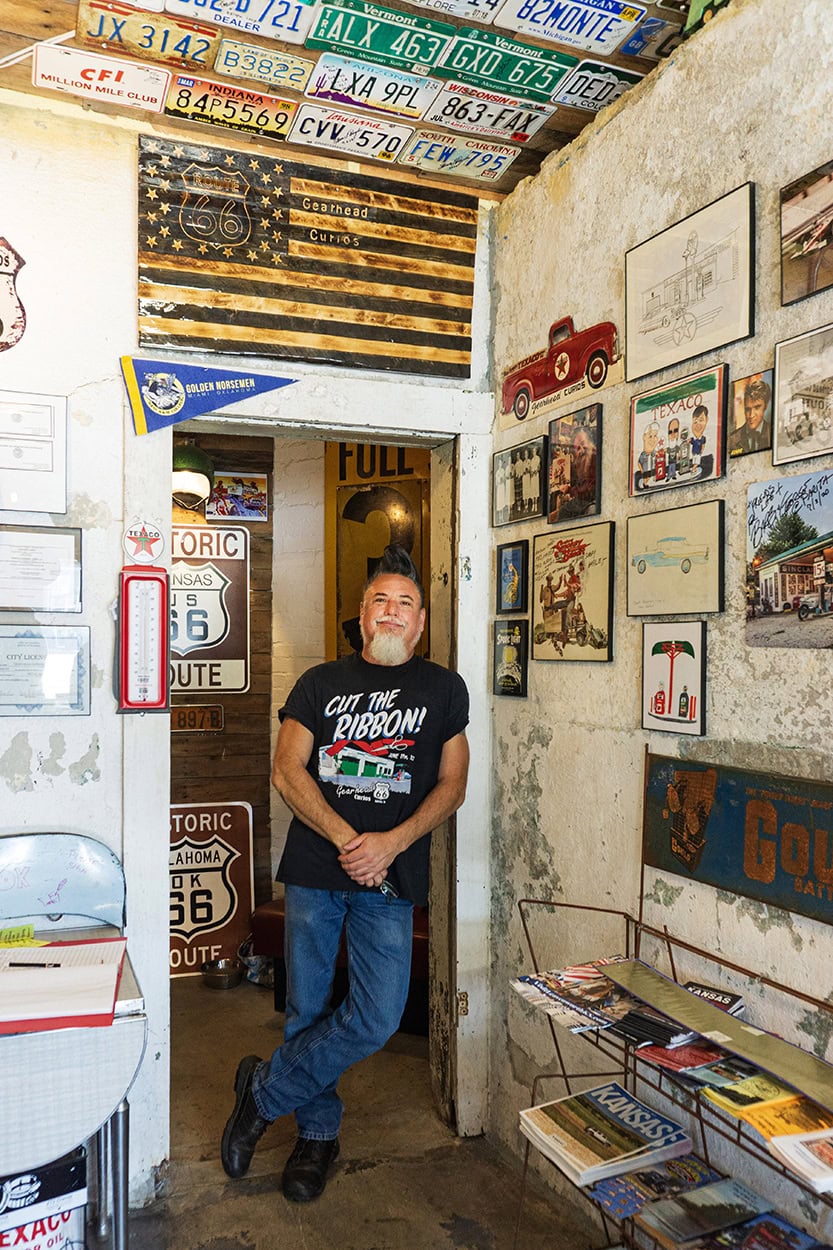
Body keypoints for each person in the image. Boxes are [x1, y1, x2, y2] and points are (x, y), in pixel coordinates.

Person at [221, 546, 469, 1203]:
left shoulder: (443, 689)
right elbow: (287, 769)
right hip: (314, 868)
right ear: (361, 617)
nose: (391, 612)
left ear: (420, 624)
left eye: (405, 604)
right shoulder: (319, 684)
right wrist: (348, 839)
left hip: (389, 876)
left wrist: (388, 844)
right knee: (308, 1006)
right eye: (380, 602)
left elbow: (451, 786)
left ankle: (263, 1092)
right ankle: (317, 1138)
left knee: (375, 1016)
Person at [728, 376, 772, 455]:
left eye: (757, 407)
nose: (751, 415)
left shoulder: (773, 434)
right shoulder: (732, 440)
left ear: (765, 406)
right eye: (748, 409)